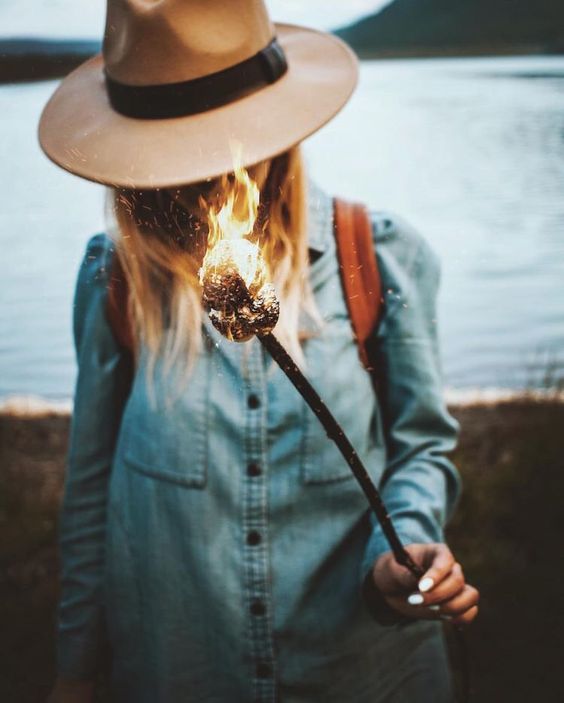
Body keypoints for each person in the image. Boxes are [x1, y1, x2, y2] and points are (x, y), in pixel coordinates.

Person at [40, 1, 479, 701]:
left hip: (365, 673)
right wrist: (76, 668)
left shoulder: (381, 257)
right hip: (177, 667)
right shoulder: (114, 277)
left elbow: (420, 444)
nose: (199, 174)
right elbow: (91, 487)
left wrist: (403, 559)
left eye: (217, 143)